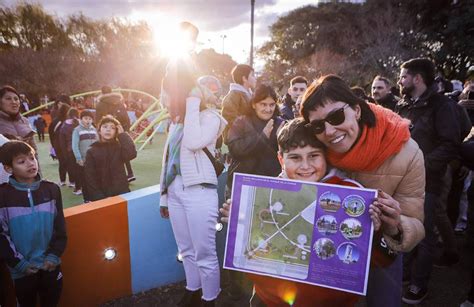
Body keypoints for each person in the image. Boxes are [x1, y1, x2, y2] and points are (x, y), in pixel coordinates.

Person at [220, 118, 401, 306]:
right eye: (295, 157)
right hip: (270, 301)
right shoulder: (263, 197)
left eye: (314, 155)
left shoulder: (352, 194)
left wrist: (382, 232)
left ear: (326, 156)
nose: (305, 166)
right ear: (281, 159)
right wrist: (241, 227)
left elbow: (381, 261)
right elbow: (251, 264)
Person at [300, 75, 425, 307]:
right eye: (318, 125)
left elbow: (416, 223)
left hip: (381, 254)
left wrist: (395, 224)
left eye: (336, 116)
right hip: (325, 247)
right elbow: (290, 176)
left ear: (356, 110)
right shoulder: (314, 146)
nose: (328, 131)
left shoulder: (406, 152)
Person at [158, 21, 227, 307]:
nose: (200, 92)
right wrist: (163, 195)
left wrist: (192, 103)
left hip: (200, 192)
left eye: (206, 89)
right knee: (186, 249)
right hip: (176, 191)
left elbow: (194, 142)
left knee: (205, 253)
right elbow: (167, 162)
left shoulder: (213, 118)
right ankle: (192, 288)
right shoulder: (176, 122)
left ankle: (210, 298)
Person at [395, 58, 462, 304]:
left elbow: (451, 144)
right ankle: (404, 272)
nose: (399, 81)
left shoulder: (442, 105)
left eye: (403, 77)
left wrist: (419, 164)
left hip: (428, 180)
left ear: (417, 78)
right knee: (403, 227)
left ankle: (418, 284)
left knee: (423, 232)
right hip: (401, 179)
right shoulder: (404, 105)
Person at [0, 141, 67, 307]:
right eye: (22, 161)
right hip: (22, 271)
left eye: (32, 158)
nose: (30, 163)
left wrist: (53, 255)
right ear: (8, 168)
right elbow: (1, 235)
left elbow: (60, 228)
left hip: (50, 266)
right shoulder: (3, 195)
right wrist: (20, 264)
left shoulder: (52, 189)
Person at [226, 84, 284, 189]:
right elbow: (235, 149)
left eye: (272, 105)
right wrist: (263, 136)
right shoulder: (241, 122)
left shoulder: (281, 123)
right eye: (263, 104)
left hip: (273, 182)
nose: (268, 109)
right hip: (244, 181)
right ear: (254, 104)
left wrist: (282, 141)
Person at [84, 116, 137, 201]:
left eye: (112, 128)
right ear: (99, 131)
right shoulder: (92, 151)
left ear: (116, 132)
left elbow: (131, 154)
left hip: (121, 192)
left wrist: (122, 135)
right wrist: (97, 196)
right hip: (101, 194)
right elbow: (90, 177)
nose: (108, 130)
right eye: (105, 127)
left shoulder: (119, 147)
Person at [95, 86, 135, 182]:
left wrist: (100, 132)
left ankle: (111, 175)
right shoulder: (119, 102)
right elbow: (126, 117)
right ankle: (130, 173)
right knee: (123, 150)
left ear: (102, 93)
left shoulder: (101, 104)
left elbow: (98, 120)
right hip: (121, 129)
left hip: (108, 131)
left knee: (109, 152)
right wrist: (125, 131)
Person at [221, 64, 256, 142]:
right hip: (238, 140)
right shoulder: (233, 95)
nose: (255, 79)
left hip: (249, 139)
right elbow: (228, 118)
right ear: (244, 78)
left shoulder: (250, 95)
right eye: (252, 75)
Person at [0, 86, 37, 152]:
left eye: (16, 99)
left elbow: (33, 150)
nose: (14, 102)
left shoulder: (25, 121)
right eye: (8, 99)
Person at [72, 110, 98, 202]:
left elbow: (98, 143)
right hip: (83, 160)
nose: (88, 121)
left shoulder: (94, 130)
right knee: (85, 181)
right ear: (81, 119)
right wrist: (78, 158)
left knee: (94, 179)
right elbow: (74, 145)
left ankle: (93, 198)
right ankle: (86, 199)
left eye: (90, 119)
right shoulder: (77, 130)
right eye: (86, 118)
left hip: (94, 160)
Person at [48, 103, 71, 186]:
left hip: (59, 145)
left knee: (63, 162)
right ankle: (70, 181)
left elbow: (51, 133)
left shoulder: (56, 121)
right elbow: (51, 132)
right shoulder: (60, 121)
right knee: (67, 162)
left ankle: (63, 181)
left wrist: (53, 144)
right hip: (65, 145)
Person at [59, 108, 80, 194]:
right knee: (81, 168)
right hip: (80, 148)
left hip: (70, 150)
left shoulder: (64, 126)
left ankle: (75, 184)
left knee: (73, 168)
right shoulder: (80, 123)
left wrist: (65, 153)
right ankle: (81, 185)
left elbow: (62, 141)